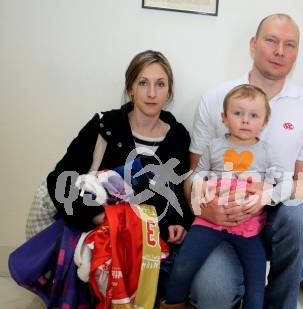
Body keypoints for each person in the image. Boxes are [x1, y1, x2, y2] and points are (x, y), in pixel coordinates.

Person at [186, 14, 303, 309]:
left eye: (289, 44)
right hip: (227, 214)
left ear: (296, 54)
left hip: (280, 209)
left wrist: (267, 194)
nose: (279, 51)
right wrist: (207, 207)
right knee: (213, 299)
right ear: (253, 44)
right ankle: (244, 289)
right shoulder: (216, 98)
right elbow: (192, 175)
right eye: (271, 40)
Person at [143, 84, 292, 309]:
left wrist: (265, 194)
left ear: (265, 121)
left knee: (256, 278)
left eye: (253, 115)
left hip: (248, 227)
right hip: (209, 223)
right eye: (238, 113)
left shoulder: (268, 152)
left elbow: (285, 183)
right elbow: (196, 175)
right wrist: (204, 187)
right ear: (224, 118)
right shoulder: (213, 146)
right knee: (183, 265)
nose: (245, 120)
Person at [46, 50, 193, 295]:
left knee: (174, 288)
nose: (152, 93)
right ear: (131, 88)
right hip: (100, 239)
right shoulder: (104, 126)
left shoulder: (178, 137)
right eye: (143, 83)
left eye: (160, 84)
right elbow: (60, 179)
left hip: (150, 246)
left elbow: (177, 192)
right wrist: (95, 217)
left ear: (169, 92)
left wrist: (179, 223)